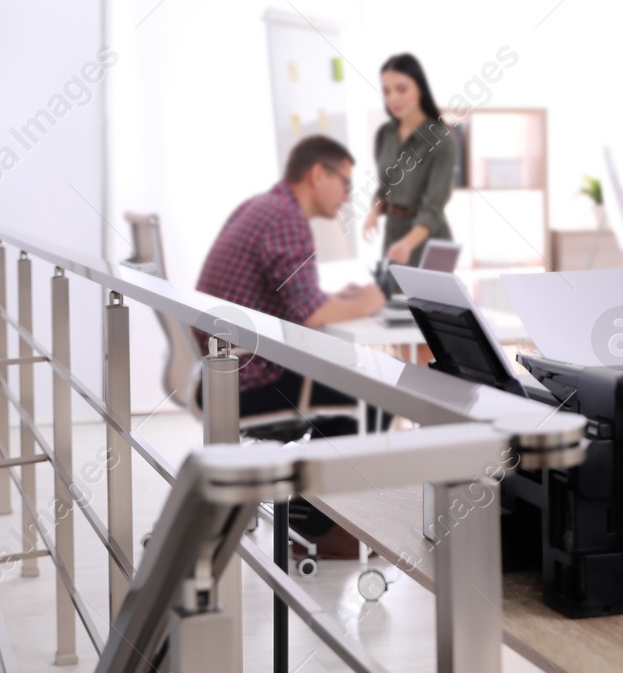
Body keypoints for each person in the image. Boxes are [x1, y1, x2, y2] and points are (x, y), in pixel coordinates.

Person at [195, 134, 383, 433]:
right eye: (346, 184)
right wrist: (366, 302)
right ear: (318, 174)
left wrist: (340, 301)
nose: (348, 197)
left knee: (351, 375)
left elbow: (293, 299)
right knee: (379, 396)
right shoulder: (287, 218)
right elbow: (311, 313)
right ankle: (319, 478)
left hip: (222, 370)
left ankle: (315, 474)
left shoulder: (259, 206)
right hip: (248, 380)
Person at [362, 54, 459, 280]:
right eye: (386, 91)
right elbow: (384, 189)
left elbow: (433, 209)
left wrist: (406, 244)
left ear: (420, 88)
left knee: (431, 310)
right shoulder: (384, 134)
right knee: (394, 309)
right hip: (394, 234)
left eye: (402, 89)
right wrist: (373, 212)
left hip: (427, 239)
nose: (393, 98)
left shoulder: (442, 140)